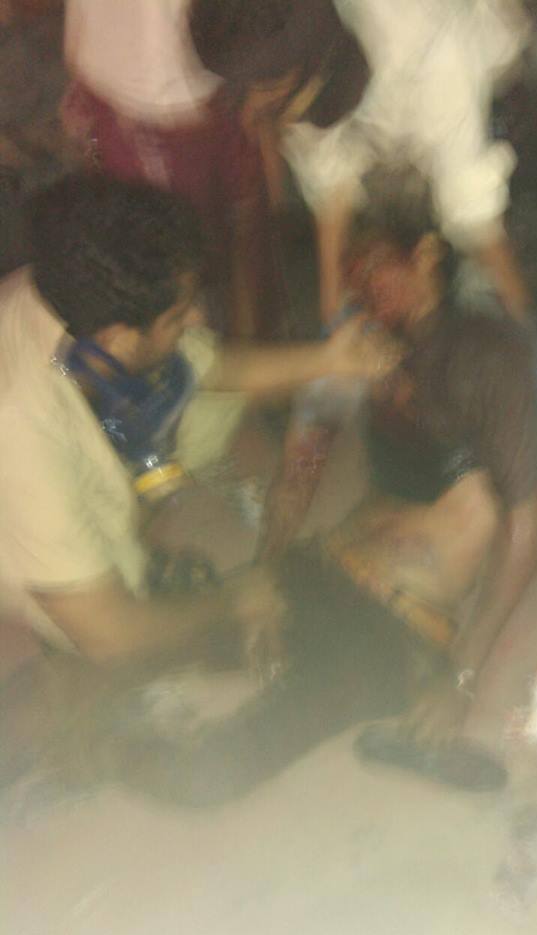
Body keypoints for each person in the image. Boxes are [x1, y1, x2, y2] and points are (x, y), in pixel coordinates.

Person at [0, 174, 397, 665]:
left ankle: (137, 513)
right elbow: (107, 634)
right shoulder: (23, 435)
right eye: (179, 316)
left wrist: (331, 360)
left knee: (205, 403)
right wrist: (235, 599)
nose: (198, 319)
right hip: (28, 539)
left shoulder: (78, 295)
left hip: (81, 435)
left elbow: (214, 367)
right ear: (116, 338)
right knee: (112, 623)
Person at [259, 166, 537, 783]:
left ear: (426, 255)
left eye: (375, 266)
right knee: (209, 635)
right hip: (333, 566)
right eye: (349, 273)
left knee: (275, 735)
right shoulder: (359, 347)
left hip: (403, 612)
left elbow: (527, 529)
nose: (361, 287)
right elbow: (298, 472)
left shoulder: (489, 355)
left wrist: (462, 677)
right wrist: (263, 576)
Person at [191, 0, 533, 327]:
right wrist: (331, 307)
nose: (248, 119)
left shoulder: (433, 63)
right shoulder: (293, 44)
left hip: (488, 59)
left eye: (266, 99)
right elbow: (327, 176)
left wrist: (522, 334)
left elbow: (473, 212)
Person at [61, 0, 280, 339]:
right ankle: (222, 340)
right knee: (180, 256)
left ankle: (243, 335)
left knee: (234, 227)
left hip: (177, 91)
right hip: (156, 105)